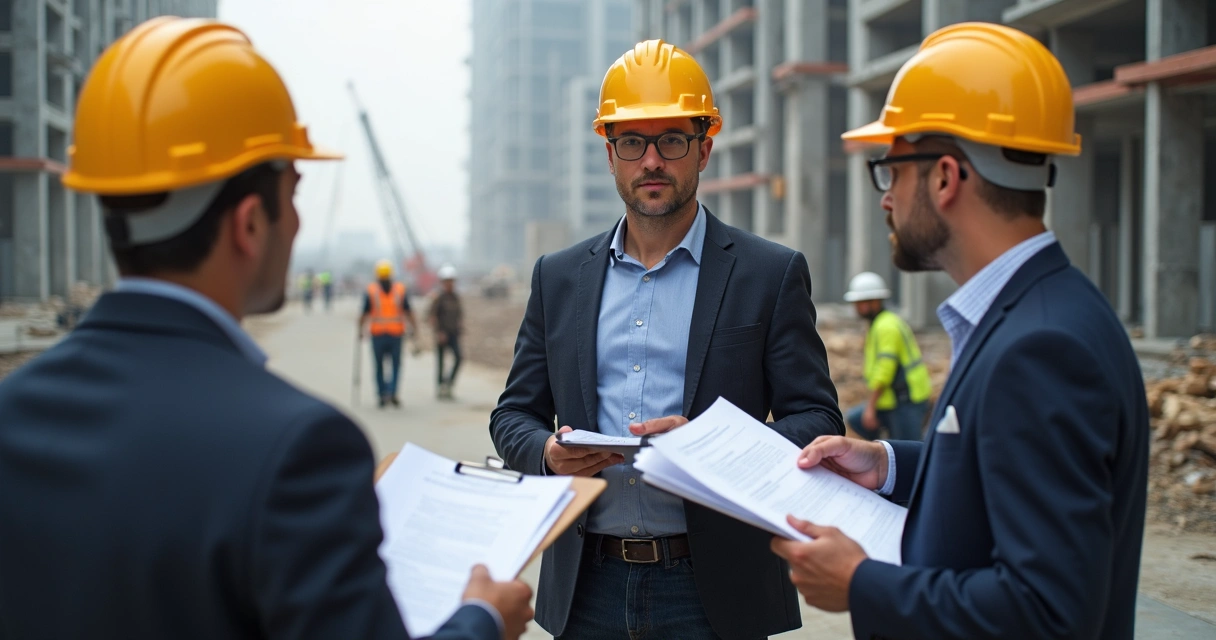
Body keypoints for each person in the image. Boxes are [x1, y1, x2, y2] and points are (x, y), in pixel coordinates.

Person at [0, 17, 532, 640]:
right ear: (250, 224)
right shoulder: (297, 451)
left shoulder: (14, 413)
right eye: (293, 194)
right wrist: (481, 620)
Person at [769, 22, 1149, 640]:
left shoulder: (1039, 349)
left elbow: (1049, 610)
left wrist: (862, 583)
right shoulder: (1044, 310)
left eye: (892, 170)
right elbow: (997, 472)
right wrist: (888, 465)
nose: (886, 198)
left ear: (945, 177)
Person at [489, 39, 844, 640]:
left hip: (714, 590)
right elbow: (513, 415)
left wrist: (714, 449)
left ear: (704, 149)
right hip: (586, 586)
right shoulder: (559, 277)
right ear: (610, 155)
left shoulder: (768, 274)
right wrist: (547, 454)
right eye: (632, 142)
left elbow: (815, 418)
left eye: (671, 140)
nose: (651, 160)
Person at [842, 271, 932, 441]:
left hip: (905, 399)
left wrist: (871, 406)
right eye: (857, 303)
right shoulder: (879, 323)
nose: (858, 308)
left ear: (876, 301)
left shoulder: (886, 326)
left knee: (909, 448)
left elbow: (885, 369)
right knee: (856, 419)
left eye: (862, 302)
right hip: (893, 398)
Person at [360, 259, 416, 408]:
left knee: (379, 366)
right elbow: (408, 311)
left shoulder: (372, 290)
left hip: (379, 334)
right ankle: (392, 392)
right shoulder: (399, 289)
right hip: (394, 334)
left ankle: (382, 394)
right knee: (395, 365)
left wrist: (360, 330)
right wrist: (414, 328)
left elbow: (364, 314)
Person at [429, 263, 463, 400]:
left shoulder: (455, 297)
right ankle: (440, 387)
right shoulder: (438, 297)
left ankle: (449, 383)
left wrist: (460, 326)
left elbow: (459, 314)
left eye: (452, 281)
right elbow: (432, 316)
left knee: (459, 358)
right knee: (441, 361)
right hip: (442, 334)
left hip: (454, 333)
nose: (450, 284)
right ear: (443, 282)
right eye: (447, 281)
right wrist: (439, 332)